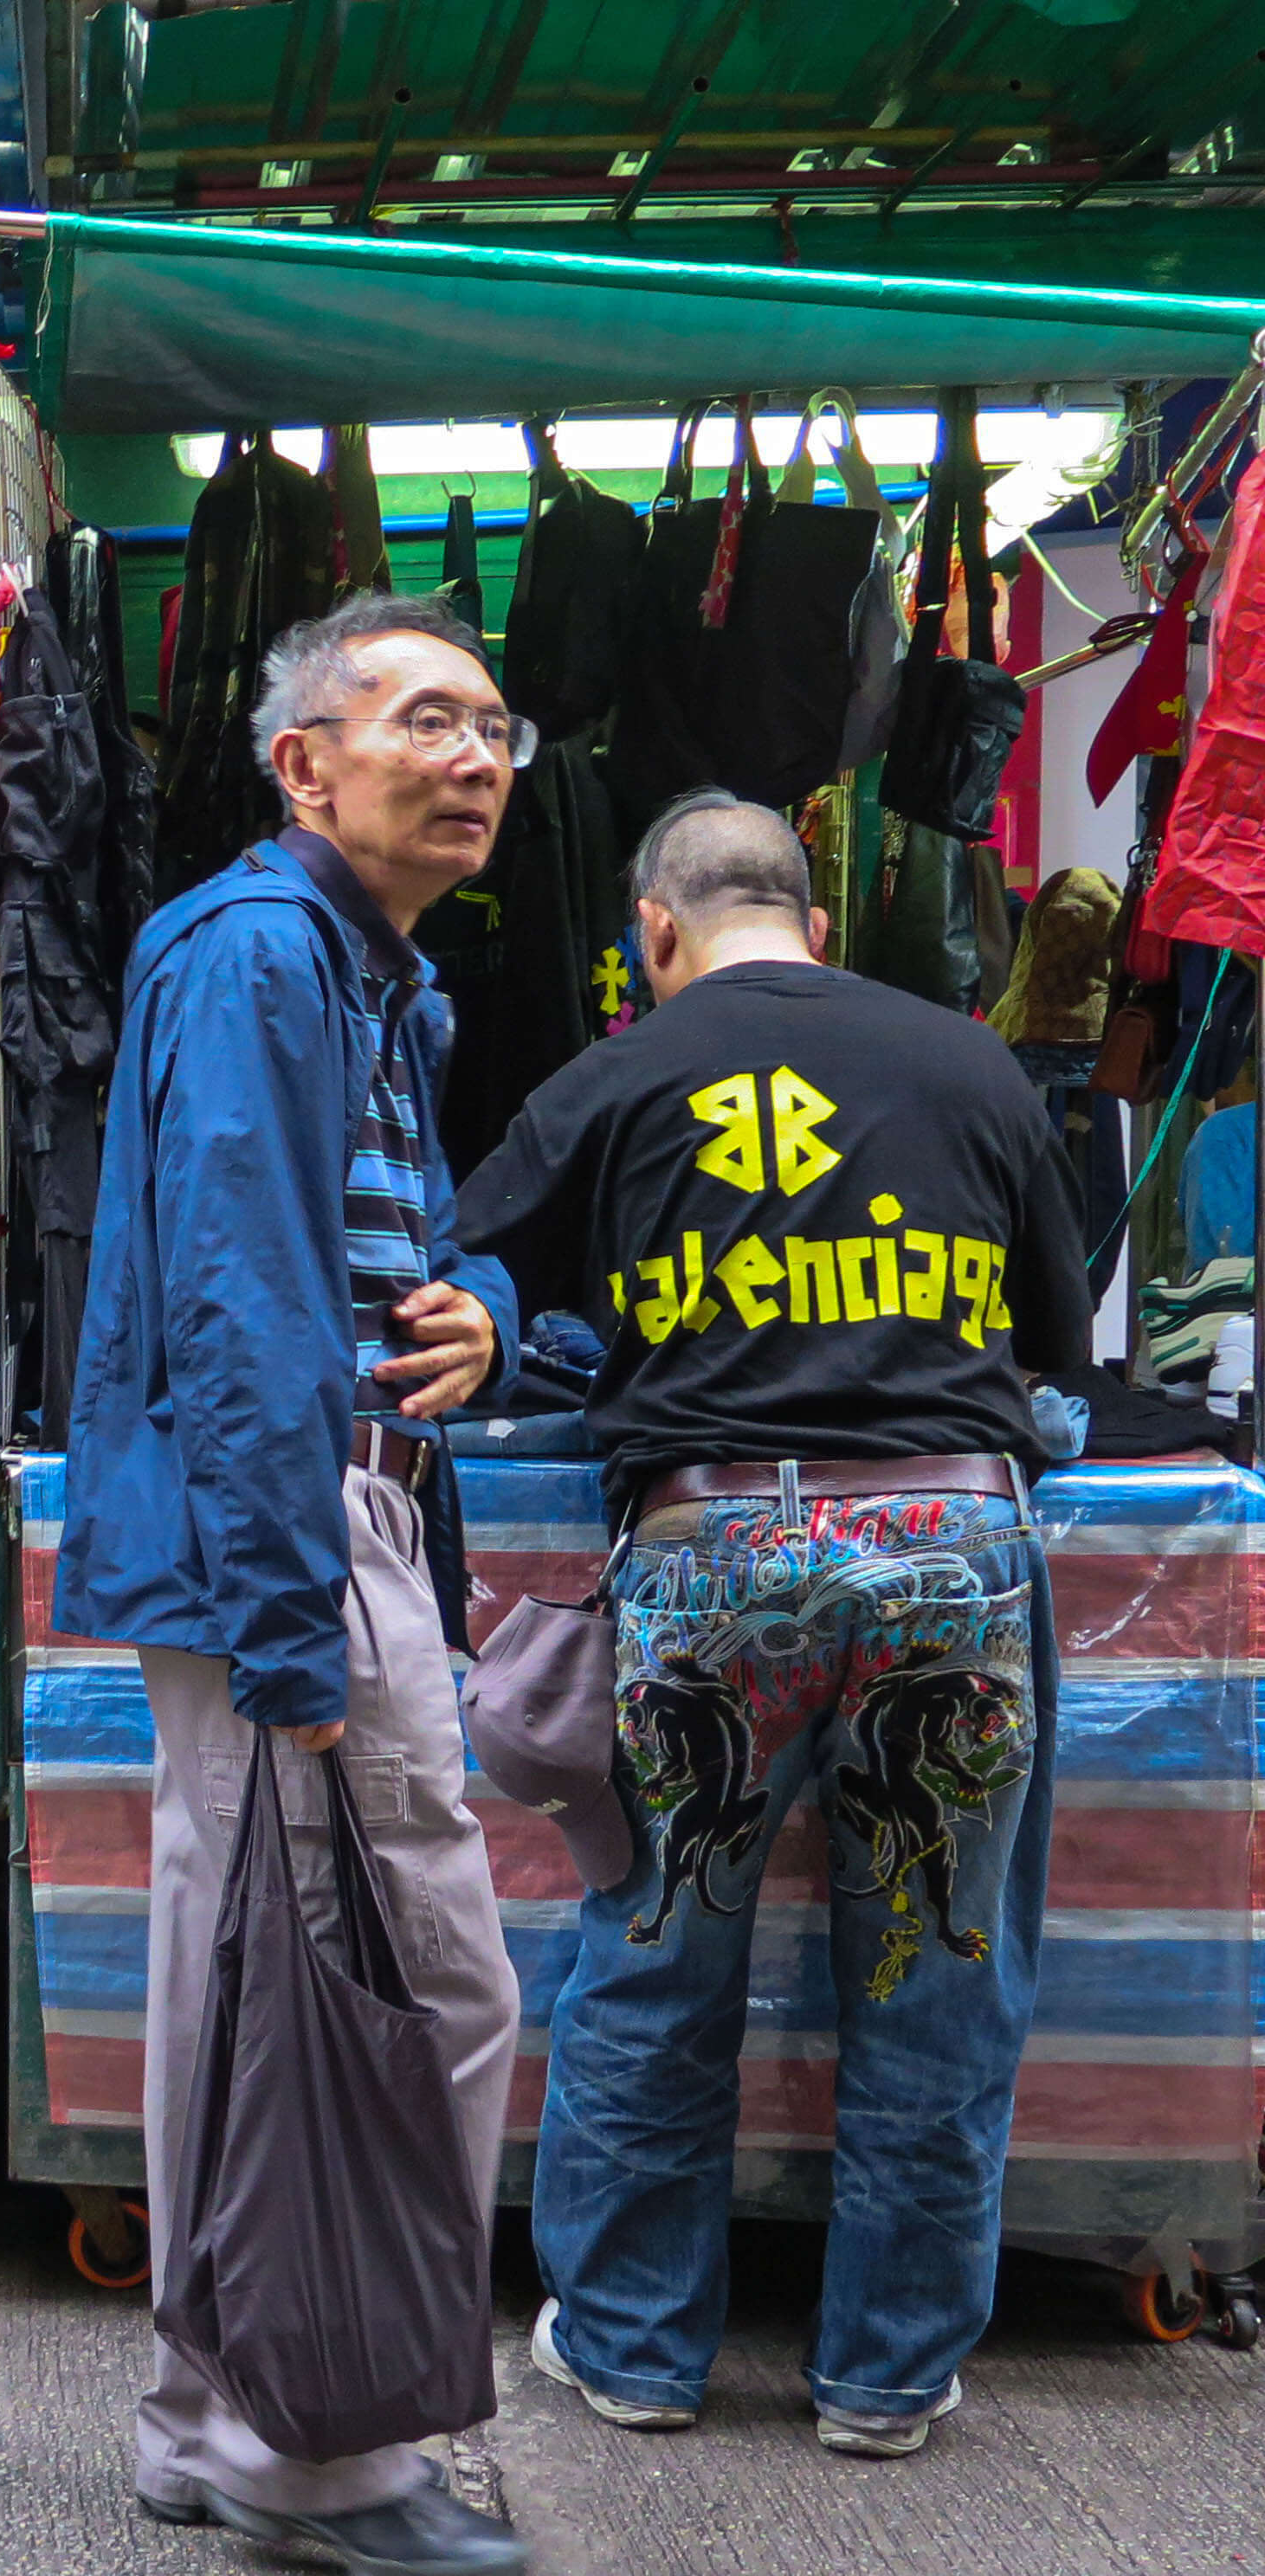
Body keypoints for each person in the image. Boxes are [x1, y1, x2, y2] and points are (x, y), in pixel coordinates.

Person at [454, 794, 1090, 2460]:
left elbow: (449, 1282)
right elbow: (1059, 1356)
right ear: (816, 920)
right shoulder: (973, 1063)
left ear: (653, 933)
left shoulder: (613, 1071)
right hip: (955, 1542)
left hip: (715, 1545)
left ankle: (636, 2353)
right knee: (940, 1972)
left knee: (661, 1962)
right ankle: (884, 2379)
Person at [57, 593, 530, 2576]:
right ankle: (312, 2460)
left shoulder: (364, 980)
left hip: (314, 1522)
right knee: (403, 1992)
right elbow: (241, 1306)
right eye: (422, 719)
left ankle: (214, 2416)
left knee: (248, 1985)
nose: (475, 756)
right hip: (294, 1538)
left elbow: (364, 1262)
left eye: (495, 724)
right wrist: (286, 1630)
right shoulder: (266, 956)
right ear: (303, 764)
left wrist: (483, 1318)